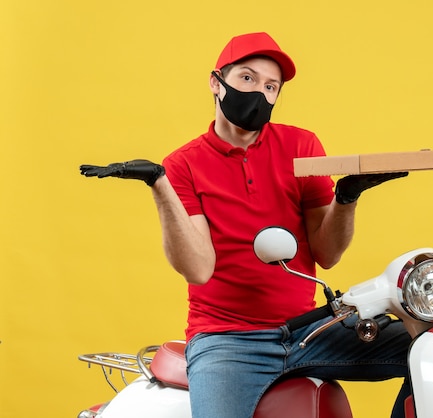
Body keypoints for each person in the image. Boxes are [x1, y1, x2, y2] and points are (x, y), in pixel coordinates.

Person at [80, 32, 412, 418]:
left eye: (271, 86)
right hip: (227, 341)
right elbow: (198, 268)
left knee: (431, 348)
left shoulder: (301, 147)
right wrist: (160, 186)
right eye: (247, 79)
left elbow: (328, 253)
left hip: (309, 332)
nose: (259, 93)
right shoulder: (185, 163)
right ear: (216, 82)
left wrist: (346, 198)